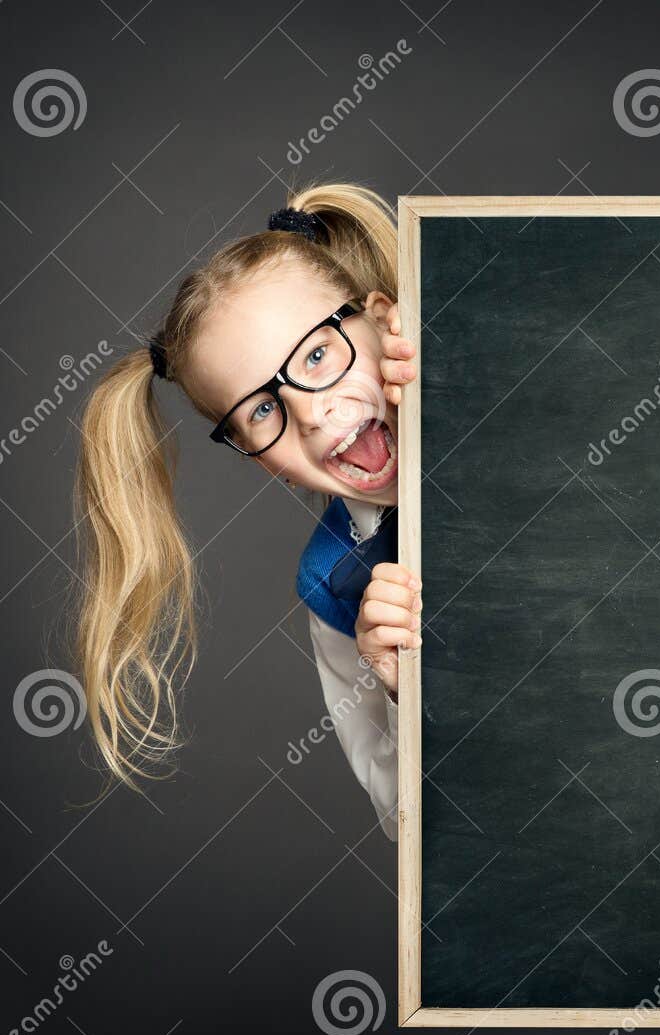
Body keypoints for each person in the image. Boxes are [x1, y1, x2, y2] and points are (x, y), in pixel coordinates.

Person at [75, 183, 419, 838]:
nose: (311, 412)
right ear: (258, 459)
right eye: (262, 411)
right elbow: (402, 817)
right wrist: (409, 691)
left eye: (318, 354)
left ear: (383, 319)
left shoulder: (497, 367)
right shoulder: (339, 590)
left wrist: (475, 359)